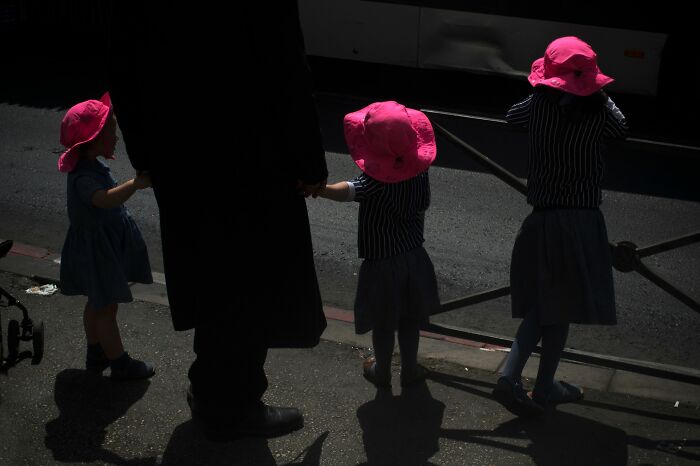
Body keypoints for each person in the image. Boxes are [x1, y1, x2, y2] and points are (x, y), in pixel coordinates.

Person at [105, 3, 328, 439]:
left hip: (180, 151)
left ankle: (209, 387)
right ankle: (232, 405)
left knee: (208, 274)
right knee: (249, 284)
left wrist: (147, 154)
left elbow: (123, 62)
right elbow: (285, 72)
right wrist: (309, 162)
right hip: (251, 154)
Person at [492, 36, 628, 417]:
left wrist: (544, 90)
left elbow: (511, 118)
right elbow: (622, 129)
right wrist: (597, 93)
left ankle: (541, 384)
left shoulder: (538, 105)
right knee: (556, 306)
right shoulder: (601, 111)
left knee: (551, 305)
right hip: (582, 221)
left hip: (543, 218)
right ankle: (515, 378)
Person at [319, 101, 441, 389]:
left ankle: (382, 370)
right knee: (410, 319)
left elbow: (348, 191)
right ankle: (410, 368)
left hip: (383, 262)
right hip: (415, 257)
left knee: (385, 323)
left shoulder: (375, 181)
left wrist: (319, 190)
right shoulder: (419, 171)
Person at [58, 92, 155, 380]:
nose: (116, 137)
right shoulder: (84, 177)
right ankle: (119, 362)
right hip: (97, 249)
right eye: (111, 132)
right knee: (106, 306)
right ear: (93, 141)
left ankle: (95, 350)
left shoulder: (88, 166)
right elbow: (104, 199)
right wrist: (135, 184)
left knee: (96, 302)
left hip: (98, 246)